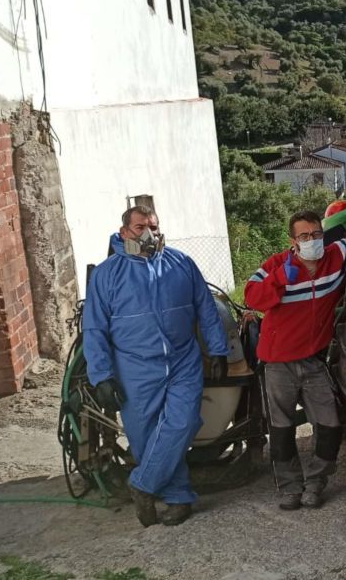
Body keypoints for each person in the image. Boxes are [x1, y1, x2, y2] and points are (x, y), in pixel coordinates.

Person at [82, 205, 229, 527]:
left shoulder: (180, 263)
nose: (148, 233)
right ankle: (178, 498)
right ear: (124, 233)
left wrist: (218, 350)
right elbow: (94, 328)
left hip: (182, 360)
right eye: (139, 227)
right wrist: (102, 375)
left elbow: (205, 307)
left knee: (184, 421)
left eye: (153, 226)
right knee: (146, 436)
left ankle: (142, 484)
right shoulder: (108, 274)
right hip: (134, 366)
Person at [245, 211, 346, 511]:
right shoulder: (276, 265)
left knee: (330, 424)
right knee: (281, 428)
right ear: (293, 241)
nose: (312, 241)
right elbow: (253, 297)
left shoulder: (334, 255)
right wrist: (280, 280)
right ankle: (291, 487)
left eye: (316, 234)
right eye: (304, 236)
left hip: (313, 360)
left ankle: (316, 482)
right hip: (278, 363)